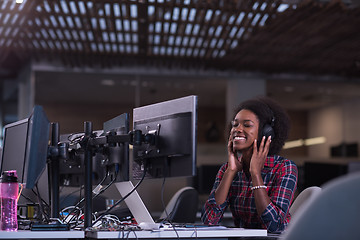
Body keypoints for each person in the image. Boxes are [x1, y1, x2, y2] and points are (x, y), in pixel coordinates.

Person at [201, 96, 298, 233]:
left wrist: (255, 174)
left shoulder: (284, 168)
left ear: (266, 133)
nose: (237, 129)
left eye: (247, 125)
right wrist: (231, 171)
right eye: (235, 124)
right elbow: (209, 221)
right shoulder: (228, 169)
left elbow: (275, 226)